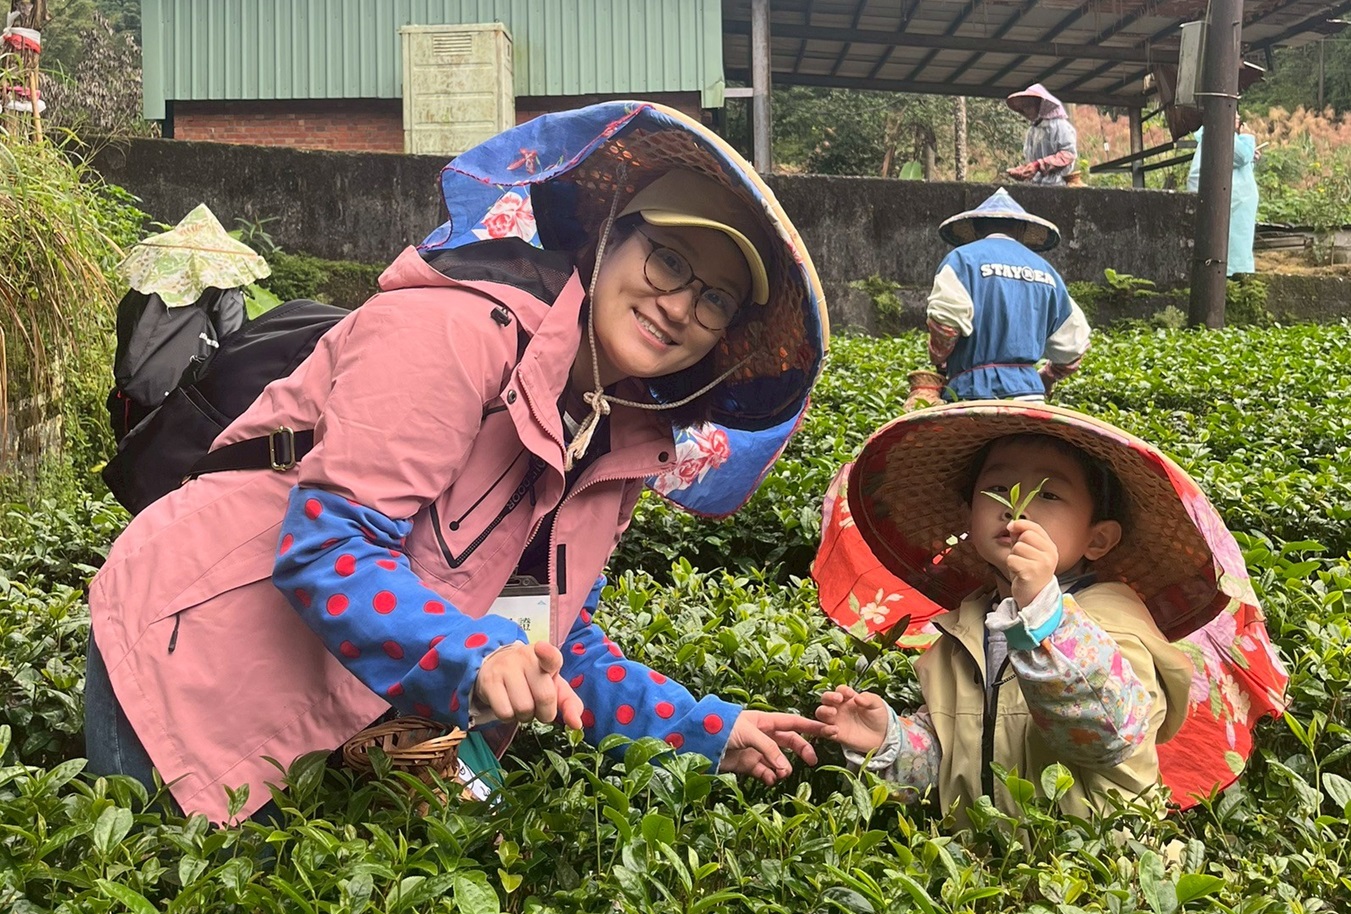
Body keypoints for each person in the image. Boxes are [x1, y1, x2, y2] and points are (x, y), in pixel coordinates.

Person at [83, 101, 833, 823]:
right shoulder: (451, 330)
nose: (678, 307)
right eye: (668, 260)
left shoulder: (619, 439)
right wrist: (473, 655)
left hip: (341, 700)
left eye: (715, 300)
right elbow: (331, 547)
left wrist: (705, 730)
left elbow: (555, 638)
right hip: (195, 658)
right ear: (608, 236)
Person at [813, 402, 1241, 820]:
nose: (1016, 509)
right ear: (969, 515)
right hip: (983, 863)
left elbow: (1109, 734)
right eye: (997, 490)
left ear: (1097, 539)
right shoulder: (963, 633)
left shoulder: (1115, 623)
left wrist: (1042, 613)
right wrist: (891, 742)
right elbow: (954, 761)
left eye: (1048, 494)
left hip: (1090, 862)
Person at [925, 189, 1091, 402]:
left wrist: (939, 359)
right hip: (1030, 398)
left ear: (975, 228)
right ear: (1021, 229)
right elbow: (1073, 346)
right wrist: (1048, 376)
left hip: (971, 395)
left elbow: (946, 328)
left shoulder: (960, 261)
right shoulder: (1047, 271)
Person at [1186, 113, 1260, 277]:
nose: (1238, 117)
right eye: (1235, 114)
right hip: (1230, 207)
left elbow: (1236, 162)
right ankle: (1233, 278)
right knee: (1231, 250)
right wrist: (1248, 138)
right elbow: (1240, 156)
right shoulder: (1221, 133)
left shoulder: (1219, 135)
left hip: (1232, 206)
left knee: (1234, 246)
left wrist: (1250, 158)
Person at [1005, 84, 1078, 186]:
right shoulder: (1032, 131)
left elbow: (1068, 155)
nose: (1026, 110)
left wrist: (1038, 165)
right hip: (1036, 186)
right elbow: (1033, 161)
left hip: (1058, 185)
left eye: (1029, 106)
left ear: (1041, 105)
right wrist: (1025, 169)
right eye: (1024, 107)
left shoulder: (1060, 126)